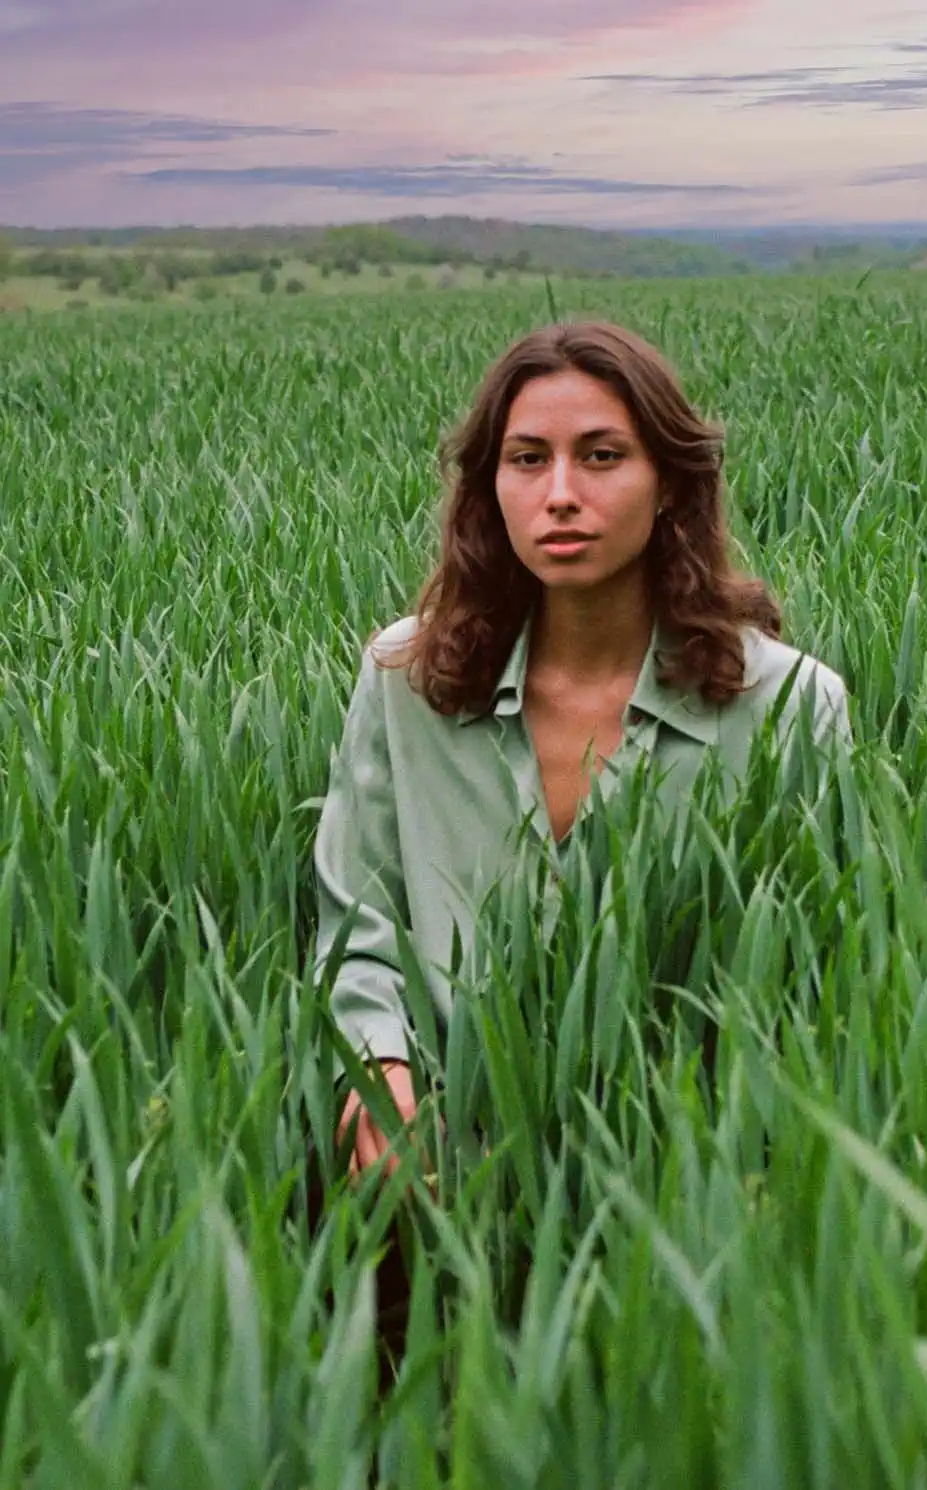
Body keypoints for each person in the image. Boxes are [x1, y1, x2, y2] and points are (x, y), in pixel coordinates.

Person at [313, 319, 851, 1179]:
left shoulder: (790, 704)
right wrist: (380, 1066)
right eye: (528, 459)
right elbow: (360, 923)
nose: (560, 493)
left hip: (685, 1164)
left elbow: (814, 971)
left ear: (670, 484)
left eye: (601, 456)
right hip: (439, 1160)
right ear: (492, 486)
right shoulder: (405, 680)